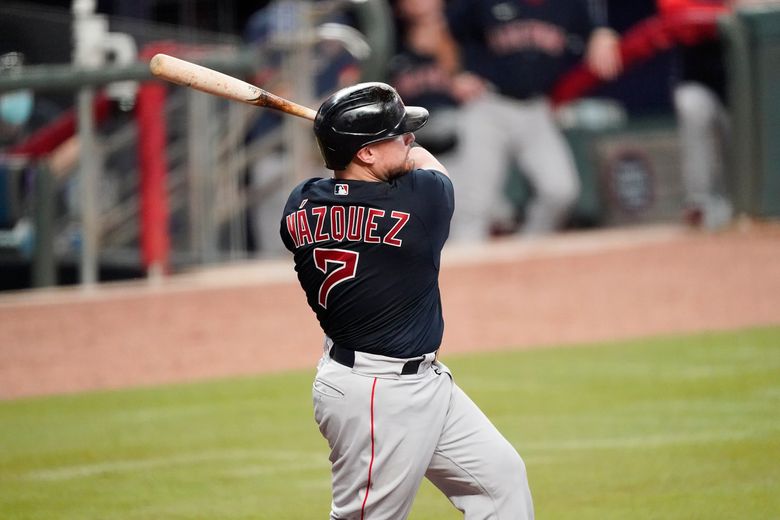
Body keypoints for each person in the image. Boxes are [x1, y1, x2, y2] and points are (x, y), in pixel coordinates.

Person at [279, 82, 533, 519]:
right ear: (367, 153)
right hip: (378, 394)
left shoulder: (300, 204)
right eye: (397, 133)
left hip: (416, 381)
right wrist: (391, 147)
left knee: (500, 481)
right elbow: (426, 165)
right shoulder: (423, 203)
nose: (410, 138)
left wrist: (365, 142)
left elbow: (348, 189)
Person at [446, 0, 622, 240]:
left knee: (560, 191)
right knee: (475, 203)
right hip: (487, 103)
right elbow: (445, 30)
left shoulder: (571, 5)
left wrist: (602, 33)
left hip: (536, 108)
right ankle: (466, 269)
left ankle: (527, 255)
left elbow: (595, 31)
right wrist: (456, 73)